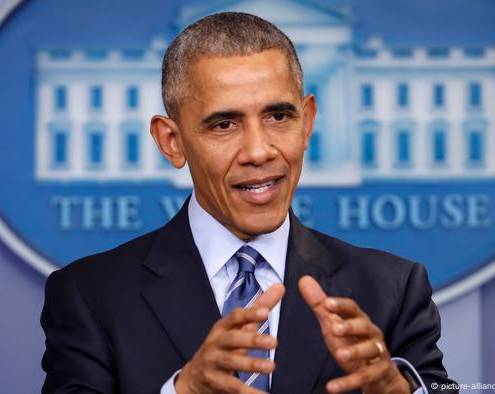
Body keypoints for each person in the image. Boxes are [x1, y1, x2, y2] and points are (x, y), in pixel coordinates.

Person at [41, 12, 456, 394]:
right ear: (172, 141)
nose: (259, 151)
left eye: (278, 117)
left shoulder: (392, 289)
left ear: (307, 122)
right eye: (224, 124)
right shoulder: (89, 295)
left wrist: (398, 390)